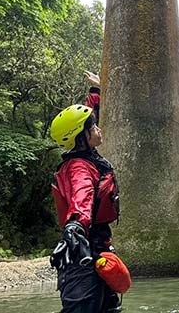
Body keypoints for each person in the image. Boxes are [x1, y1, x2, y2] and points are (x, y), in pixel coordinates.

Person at [49, 71, 122, 313]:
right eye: (93, 127)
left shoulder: (85, 157)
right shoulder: (80, 167)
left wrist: (95, 92)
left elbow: (85, 119)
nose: (98, 128)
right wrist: (76, 225)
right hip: (84, 253)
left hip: (94, 249)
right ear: (82, 137)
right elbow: (82, 198)